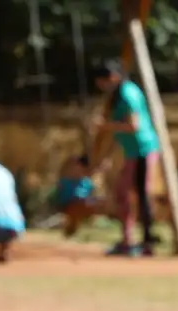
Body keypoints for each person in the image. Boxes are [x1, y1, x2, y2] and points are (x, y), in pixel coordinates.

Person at [91, 60, 161, 257]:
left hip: (143, 149)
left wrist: (104, 126)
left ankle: (146, 241)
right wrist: (107, 155)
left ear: (112, 77)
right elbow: (119, 130)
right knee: (124, 193)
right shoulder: (117, 95)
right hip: (132, 151)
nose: (101, 86)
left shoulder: (128, 94)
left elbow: (133, 126)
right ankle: (128, 239)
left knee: (140, 195)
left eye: (102, 81)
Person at [55, 154, 101, 238]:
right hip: (72, 204)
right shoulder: (65, 182)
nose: (77, 169)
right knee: (91, 201)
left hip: (80, 204)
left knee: (96, 201)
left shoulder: (86, 183)